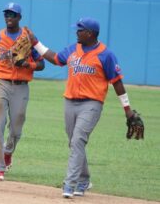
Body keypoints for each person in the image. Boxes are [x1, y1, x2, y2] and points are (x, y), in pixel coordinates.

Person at [30, 17, 139, 198]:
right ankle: (84, 180)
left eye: (79, 30)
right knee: (74, 142)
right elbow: (55, 59)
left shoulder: (106, 54)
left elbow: (117, 83)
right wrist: (35, 42)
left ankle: (69, 184)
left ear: (89, 33)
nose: (76, 32)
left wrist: (127, 110)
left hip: (91, 104)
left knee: (78, 140)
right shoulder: (73, 48)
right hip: (70, 102)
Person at [0, 2, 44, 181]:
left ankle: (8, 152)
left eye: (13, 14)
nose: (9, 17)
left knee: (16, 128)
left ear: (19, 17)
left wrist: (29, 64)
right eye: (6, 14)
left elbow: (42, 64)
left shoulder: (28, 38)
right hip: (1, 82)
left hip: (21, 86)